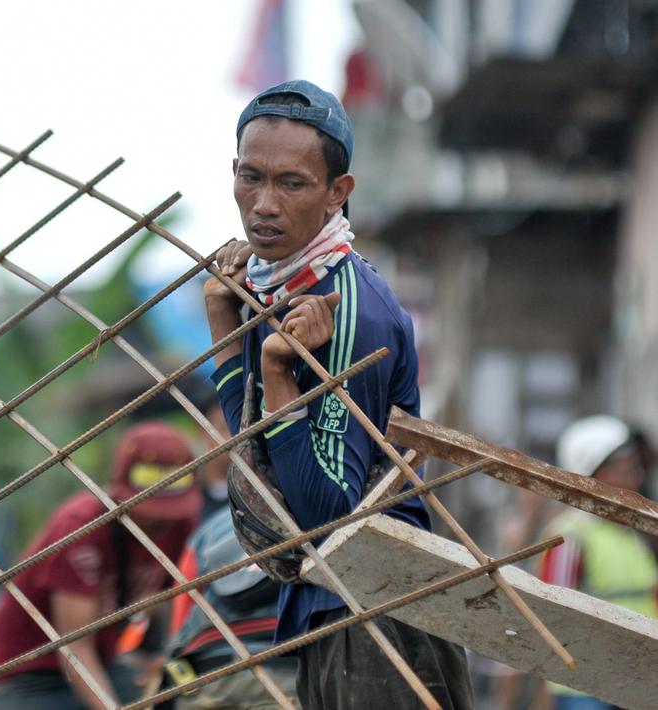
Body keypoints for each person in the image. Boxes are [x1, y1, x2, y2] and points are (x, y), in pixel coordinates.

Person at [202, 79, 472, 708]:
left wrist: (276, 379)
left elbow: (329, 519)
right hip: (330, 607)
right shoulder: (273, 289)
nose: (263, 204)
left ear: (336, 194)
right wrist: (225, 332)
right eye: (251, 177)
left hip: (378, 610)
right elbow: (254, 459)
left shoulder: (348, 310)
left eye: (291, 183)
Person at [0, 422, 199, 709]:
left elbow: (174, 601)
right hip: (30, 672)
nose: (159, 521)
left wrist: (164, 657)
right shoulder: (81, 527)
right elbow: (74, 647)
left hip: (104, 662)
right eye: (148, 510)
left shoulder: (180, 524)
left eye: (168, 509)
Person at [538, 415, 658, 710]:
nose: (635, 478)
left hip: (635, 677)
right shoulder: (571, 535)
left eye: (635, 467)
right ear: (595, 473)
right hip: (586, 685)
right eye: (625, 467)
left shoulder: (630, 533)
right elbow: (555, 610)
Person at [161, 503, 297, 708]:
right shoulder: (318, 515)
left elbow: (180, 621)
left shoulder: (210, 528)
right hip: (290, 672)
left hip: (206, 676)